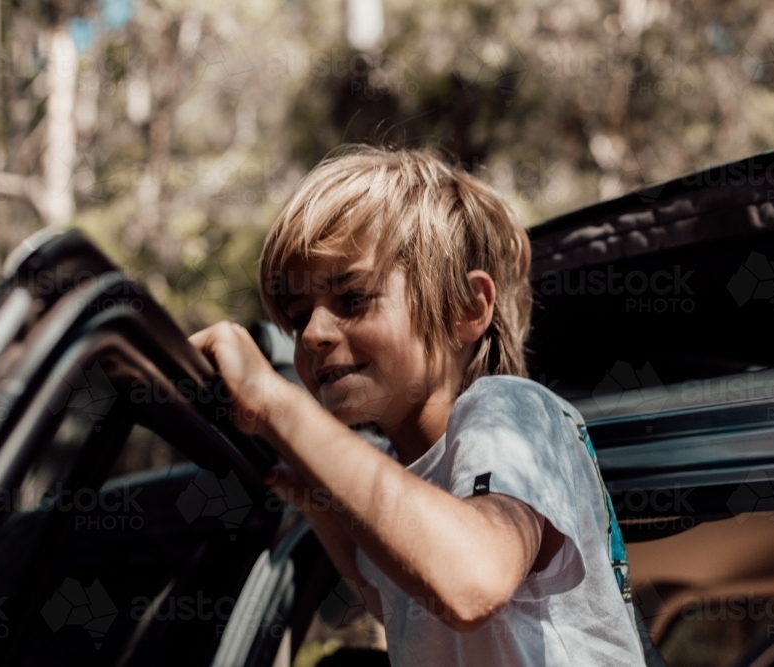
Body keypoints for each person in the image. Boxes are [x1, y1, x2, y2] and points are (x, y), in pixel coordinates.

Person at [189, 146, 647, 666]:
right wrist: (311, 494)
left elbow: (470, 583)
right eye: (298, 317)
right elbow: (388, 595)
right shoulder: (395, 468)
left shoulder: (509, 409)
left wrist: (277, 402)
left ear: (466, 308)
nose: (313, 333)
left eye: (353, 299)